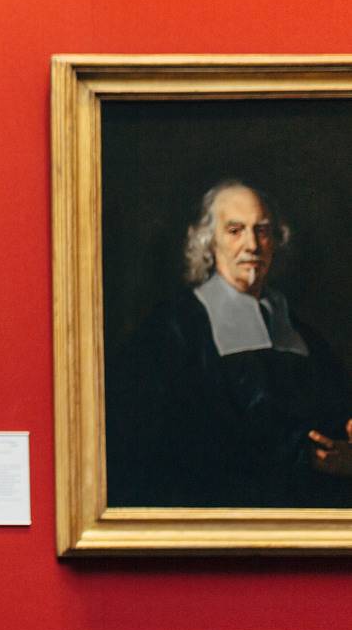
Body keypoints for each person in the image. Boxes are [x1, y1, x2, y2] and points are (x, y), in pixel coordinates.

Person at [108, 180, 352, 507]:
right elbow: (176, 446)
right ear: (209, 243)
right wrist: (301, 457)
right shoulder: (173, 331)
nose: (252, 244)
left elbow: (338, 414)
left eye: (262, 231)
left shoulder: (300, 332)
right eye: (235, 230)